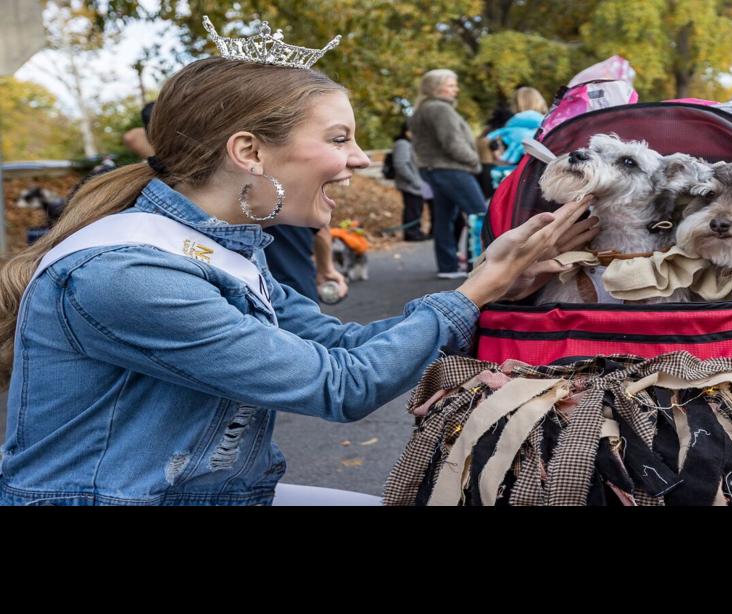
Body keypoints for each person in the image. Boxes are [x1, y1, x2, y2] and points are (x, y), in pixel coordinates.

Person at [0, 36, 599, 506]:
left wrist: (500, 288)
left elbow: (342, 342)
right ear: (249, 153)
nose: (361, 160)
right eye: (340, 138)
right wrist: (474, 290)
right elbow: (338, 384)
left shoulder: (220, 249)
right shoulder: (127, 274)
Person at [408, 68, 488, 279]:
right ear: (436, 88)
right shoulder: (440, 109)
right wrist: (474, 161)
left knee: (444, 218)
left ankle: (448, 266)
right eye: (451, 85)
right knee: (479, 214)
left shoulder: (423, 109)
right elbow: (452, 142)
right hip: (451, 168)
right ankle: (478, 264)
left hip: (434, 169)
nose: (456, 89)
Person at [390, 119, 431, 241]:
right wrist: (415, 181)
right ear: (408, 132)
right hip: (410, 185)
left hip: (416, 184)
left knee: (417, 209)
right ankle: (411, 234)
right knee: (412, 209)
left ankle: (415, 231)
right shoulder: (402, 144)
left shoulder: (409, 144)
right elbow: (400, 165)